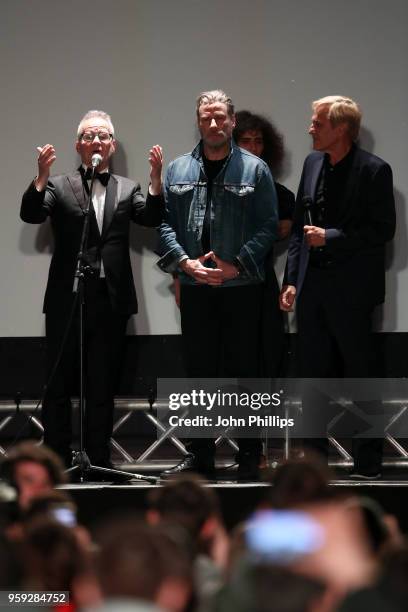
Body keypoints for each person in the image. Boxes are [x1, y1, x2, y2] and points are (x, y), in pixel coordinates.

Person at [20, 110, 164, 471]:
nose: (96, 142)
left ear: (112, 146)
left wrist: (156, 182)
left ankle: (98, 458)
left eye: (102, 136)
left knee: (101, 383)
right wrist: (40, 177)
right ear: (78, 145)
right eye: (88, 136)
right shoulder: (59, 185)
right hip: (67, 296)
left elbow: (151, 218)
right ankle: (55, 460)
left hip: (110, 299)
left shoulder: (127, 187)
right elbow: (32, 215)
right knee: (59, 383)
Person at [158, 90, 278, 480]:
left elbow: (267, 226)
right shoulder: (176, 170)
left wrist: (235, 265)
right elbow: (164, 225)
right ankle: (201, 456)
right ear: (198, 121)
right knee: (199, 373)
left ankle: (249, 454)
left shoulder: (256, 169)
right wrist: (186, 264)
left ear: (231, 122)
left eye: (220, 118)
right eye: (206, 118)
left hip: (241, 287)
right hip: (195, 287)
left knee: (246, 372)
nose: (213, 124)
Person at [280, 95, 395, 479]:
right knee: (313, 379)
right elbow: (299, 229)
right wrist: (292, 281)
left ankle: (368, 465)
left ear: (341, 129)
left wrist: (330, 237)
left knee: (363, 376)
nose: (311, 129)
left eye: (318, 123)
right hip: (312, 290)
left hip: (353, 292)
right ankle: (314, 468)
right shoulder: (313, 164)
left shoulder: (375, 171)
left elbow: (382, 230)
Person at [233, 110, 294, 377]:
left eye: (258, 141)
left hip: (261, 279)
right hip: (225, 283)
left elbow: (281, 229)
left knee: (268, 351)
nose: (253, 147)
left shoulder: (280, 194)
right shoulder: (216, 187)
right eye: (246, 140)